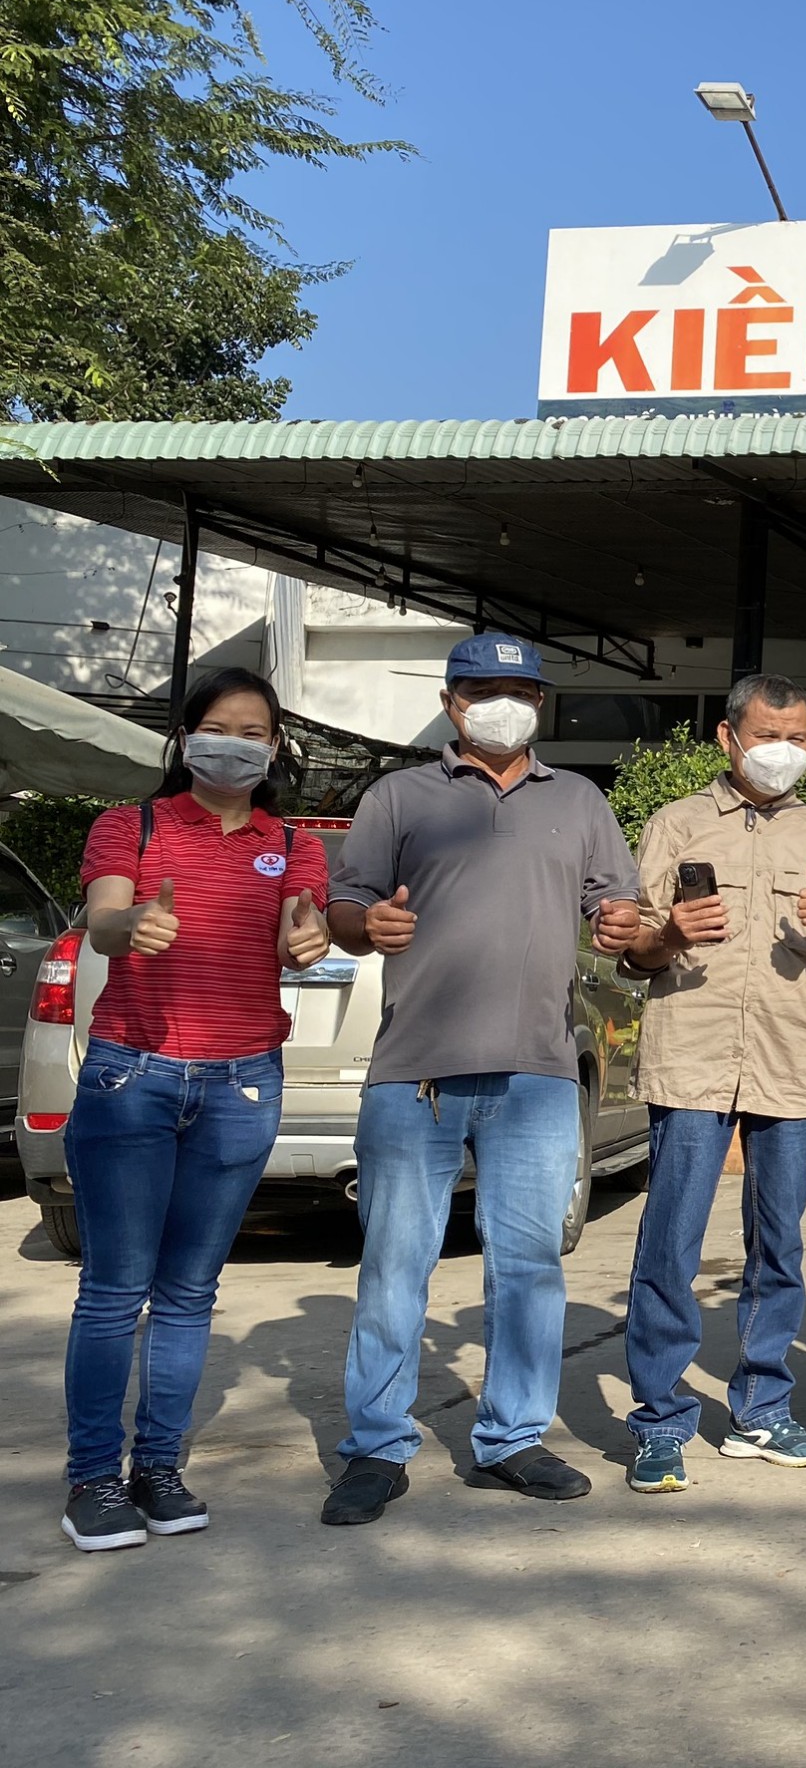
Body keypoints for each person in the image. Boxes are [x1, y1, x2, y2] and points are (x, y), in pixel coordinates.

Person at [320, 633, 641, 1526]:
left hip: (538, 1071)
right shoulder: (398, 796)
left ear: (540, 703)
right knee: (394, 1265)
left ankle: (512, 1438)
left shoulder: (578, 800)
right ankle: (376, 1446)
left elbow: (619, 908)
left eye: (522, 691)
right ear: (451, 701)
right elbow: (346, 904)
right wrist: (364, 926)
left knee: (529, 1267)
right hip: (414, 1072)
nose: (506, 704)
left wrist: (623, 923)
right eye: (485, 688)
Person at [54, 670, 331, 1552]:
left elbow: (302, 926)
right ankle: (93, 1479)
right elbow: (102, 918)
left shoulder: (293, 843)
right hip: (131, 1076)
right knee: (114, 1290)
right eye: (217, 727)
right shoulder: (130, 826)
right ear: (185, 738)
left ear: (275, 748)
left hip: (241, 1085)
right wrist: (130, 922)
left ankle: (157, 1468)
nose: (234, 744)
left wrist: (309, 938)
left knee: (189, 1292)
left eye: (254, 732)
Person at [615, 673, 806, 1493]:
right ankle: (660, 1420)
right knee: (671, 1243)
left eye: (797, 738)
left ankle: (762, 1408)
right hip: (692, 1058)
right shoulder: (676, 823)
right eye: (766, 736)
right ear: (728, 738)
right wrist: (669, 935)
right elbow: (635, 951)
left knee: (778, 1247)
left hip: (789, 1061)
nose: (782, 751)